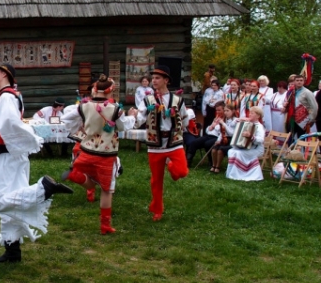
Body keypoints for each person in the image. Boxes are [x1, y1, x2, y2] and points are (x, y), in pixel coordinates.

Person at [0, 63, 73, 263]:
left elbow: (10, 123)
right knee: (11, 205)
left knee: (1, 202)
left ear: (4, 74)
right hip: (12, 153)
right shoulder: (6, 96)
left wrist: (25, 140)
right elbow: (3, 125)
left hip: (11, 154)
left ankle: (44, 188)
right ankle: (12, 251)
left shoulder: (7, 96)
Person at [60, 75, 136, 234]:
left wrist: (80, 127)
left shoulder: (84, 106)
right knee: (107, 189)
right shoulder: (115, 109)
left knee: (91, 181)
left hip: (86, 151)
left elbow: (66, 118)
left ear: (94, 89)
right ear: (111, 91)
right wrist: (133, 117)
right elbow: (122, 127)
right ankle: (105, 225)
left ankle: (76, 176)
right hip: (106, 155)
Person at [135, 65, 189, 221]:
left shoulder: (177, 100)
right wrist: (141, 113)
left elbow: (184, 117)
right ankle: (157, 209)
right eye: (153, 78)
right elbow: (139, 119)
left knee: (182, 171)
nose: (154, 81)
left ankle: (171, 166)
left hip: (173, 141)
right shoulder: (147, 100)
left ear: (166, 80)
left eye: (157, 78)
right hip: (155, 144)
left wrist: (184, 126)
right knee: (156, 180)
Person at [226, 106, 266, 181]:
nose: (250, 114)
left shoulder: (259, 126)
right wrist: (240, 119)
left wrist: (251, 136)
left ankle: (239, 175)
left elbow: (260, 140)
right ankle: (232, 174)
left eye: (252, 113)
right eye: (249, 113)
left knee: (238, 153)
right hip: (246, 148)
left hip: (257, 149)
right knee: (231, 151)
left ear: (258, 116)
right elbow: (231, 125)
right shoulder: (247, 123)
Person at [186, 102, 224, 167]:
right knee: (194, 143)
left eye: (219, 110)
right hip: (209, 135)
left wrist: (217, 126)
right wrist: (211, 126)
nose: (217, 112)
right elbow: (207, 130)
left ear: (224, 110)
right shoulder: (216, 118)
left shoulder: (225, 119)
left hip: (217, 137)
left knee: (207, 143)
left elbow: (222, 131)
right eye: (216, 110)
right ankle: (188, 162)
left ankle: (211, 162)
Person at [283, 75, 318, 141]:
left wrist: (311, 119)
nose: (299, 82)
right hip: (292, 118)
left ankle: (301, 151)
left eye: (301, 80)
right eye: (297, 80)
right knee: (289, 138)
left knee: (301, 138)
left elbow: (314, 106)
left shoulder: (307, 92)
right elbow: (288, 103)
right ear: (294, 82)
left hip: (303, 119)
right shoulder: (291, 92)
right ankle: (290, 151)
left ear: (304, 82)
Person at [210, 104, 237, 173]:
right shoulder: (224, 120)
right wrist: (218, 140)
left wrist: (223, 124)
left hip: (231, 140)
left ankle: (218, 166)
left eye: (228, 111)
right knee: (214, 149)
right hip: (224, 138)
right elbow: (222, 132)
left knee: (220, 150)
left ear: (233, 111)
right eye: (225, 111)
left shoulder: (235, 120)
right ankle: (214, 165)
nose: (225, 112)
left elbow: (231, 133)